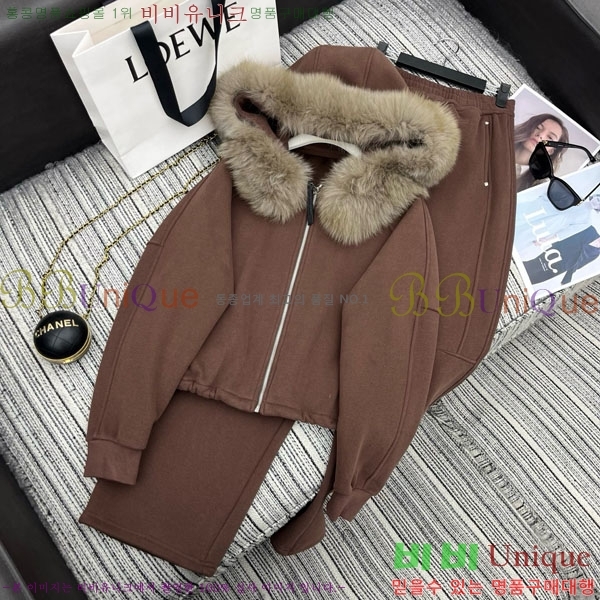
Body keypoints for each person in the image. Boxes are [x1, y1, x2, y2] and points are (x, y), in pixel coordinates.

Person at [514, 194, 600, 261]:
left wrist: (548, 240)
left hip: (553, 227)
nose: (597, 203)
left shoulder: (587, 221)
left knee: (526, 237)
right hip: (547, 212)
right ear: (594, 196)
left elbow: (567, 233)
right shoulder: (576, 197)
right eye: (598, 199)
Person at [522, 225, 600, 285]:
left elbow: (579, 264)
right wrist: (546, 240)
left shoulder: (596, 253)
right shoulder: (590, 230)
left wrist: (567, 277)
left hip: (562, 267)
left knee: (534, 279)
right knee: (530, 266)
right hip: (555, 252)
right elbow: (564, 232)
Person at [514, 113, 569, 192]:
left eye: (550, 137)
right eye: (538, 127)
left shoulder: (538, 186)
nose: (541, 135)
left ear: (551, 151)